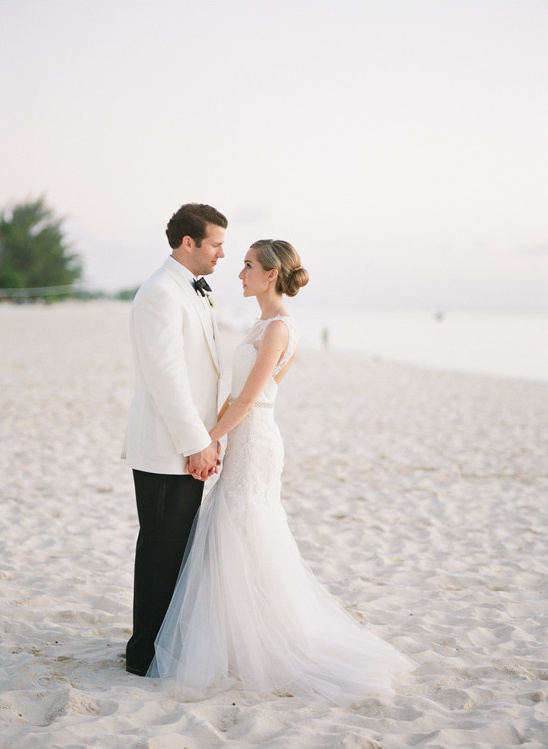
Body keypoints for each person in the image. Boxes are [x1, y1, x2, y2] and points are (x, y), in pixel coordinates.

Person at [148, 238, 413, 703]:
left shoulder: (279, 329)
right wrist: (209, 435)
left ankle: (265, 641)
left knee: (247, 530)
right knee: (234, 532)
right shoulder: (261, 324)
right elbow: (240, 394)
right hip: (245, 436)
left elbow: (254, 399)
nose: (239, 272)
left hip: (257, 441)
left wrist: (210, 440)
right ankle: (236, 637)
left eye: (248, 265)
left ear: (271, 274)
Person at [121, 202, 228, 676]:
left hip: (190, 443)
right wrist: (195, 443)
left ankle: (164, 643)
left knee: (177, 549)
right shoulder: (160, 293)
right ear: (190, 242)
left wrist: (209, 437)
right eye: (216, 244)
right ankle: (144, 654)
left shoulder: (193, 291)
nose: (222, 254)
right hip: (168, 448)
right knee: (161, 550)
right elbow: (166, 377)